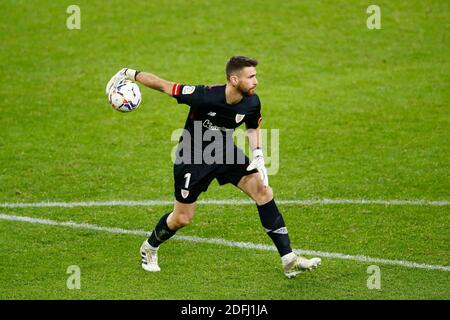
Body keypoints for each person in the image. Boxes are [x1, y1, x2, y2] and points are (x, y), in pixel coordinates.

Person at [105, 56, 321, 278]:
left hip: (223, 151)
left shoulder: (252, 102)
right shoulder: (204, 96)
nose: (256, 81)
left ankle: (288, 258)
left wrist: (257, 154)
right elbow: (164, 86)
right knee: (182, 218)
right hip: (192, 158)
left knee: (263, 192)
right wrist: (129, 73)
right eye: (251, 77)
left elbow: (252, 127)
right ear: (234, 79)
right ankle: (149, 247)